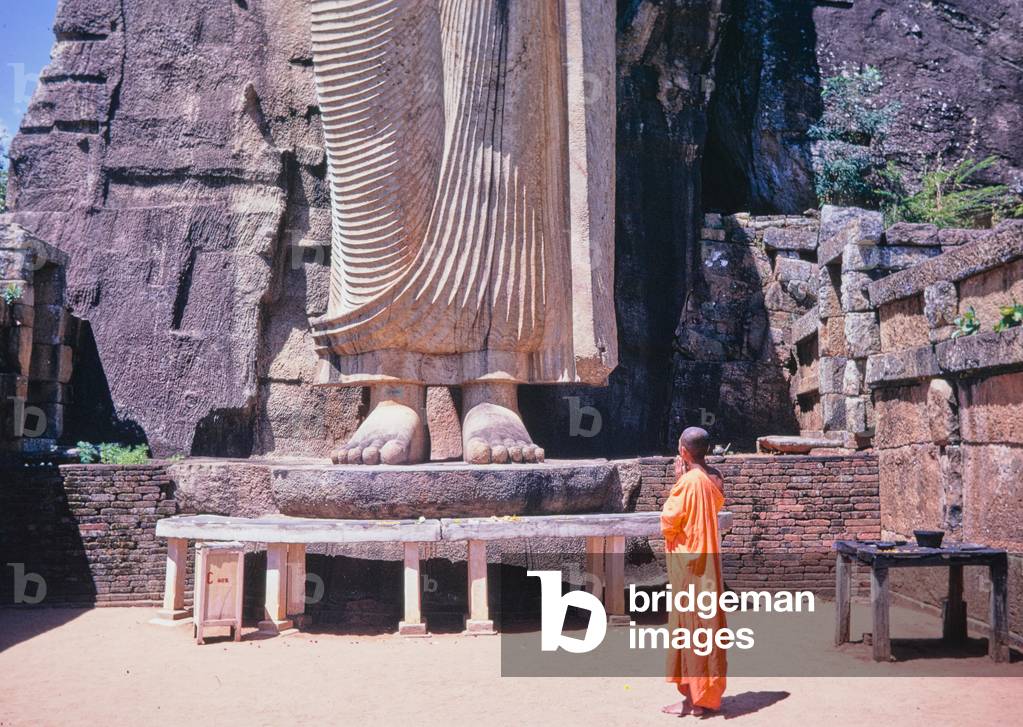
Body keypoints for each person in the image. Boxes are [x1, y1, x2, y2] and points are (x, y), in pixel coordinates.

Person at [660, 426, 727, 717]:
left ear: (684, 451)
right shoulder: (715, 479)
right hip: (709, 567)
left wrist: (680, 480)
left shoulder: (687, 483)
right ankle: (704, 697)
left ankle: (692, 702)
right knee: (708, 627)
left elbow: (669, 521)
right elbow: (710, 504)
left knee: (689, 628)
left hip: (689, 567)